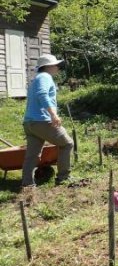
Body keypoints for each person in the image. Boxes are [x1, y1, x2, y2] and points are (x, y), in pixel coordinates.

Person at [22, 54, 74, 188]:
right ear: (48, 66)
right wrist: (53, 114)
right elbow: (42, 95)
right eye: (56, 65)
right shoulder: (45, 77)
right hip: (42, 120)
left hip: (30, 122)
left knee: (32, 155)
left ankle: (27, 184)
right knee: (67, 144)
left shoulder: (37, 79)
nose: (57, 67)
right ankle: (63, 177)